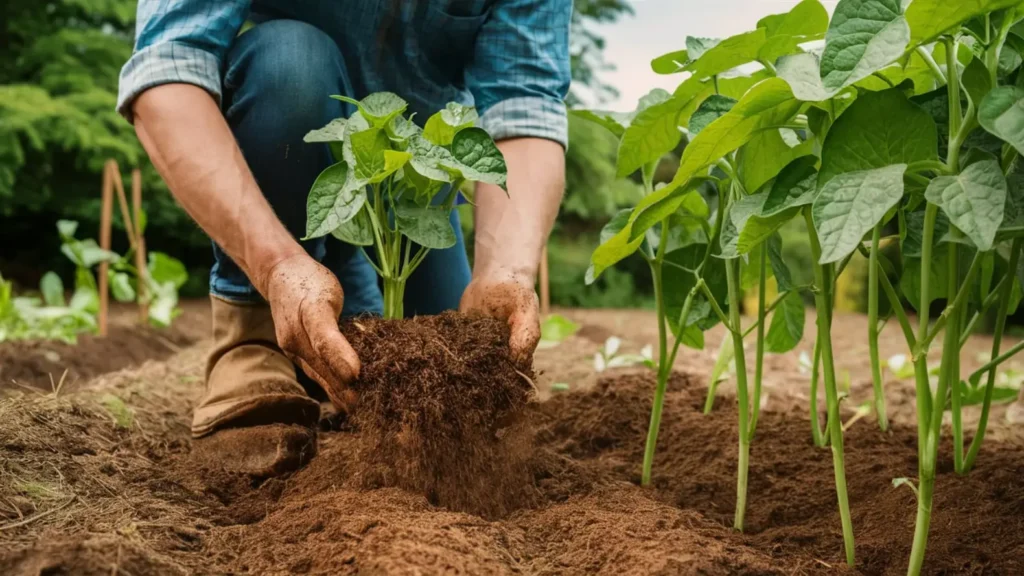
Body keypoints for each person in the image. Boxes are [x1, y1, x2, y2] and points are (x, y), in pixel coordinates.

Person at [117, 0, 570, 477]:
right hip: (289, 159)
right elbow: (169, 66)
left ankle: (329, 341)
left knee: (450, 368)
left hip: (413, 193)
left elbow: (524, 104)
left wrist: (505, 270)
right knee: (291, 60)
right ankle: (253, 343)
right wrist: (275, 267)